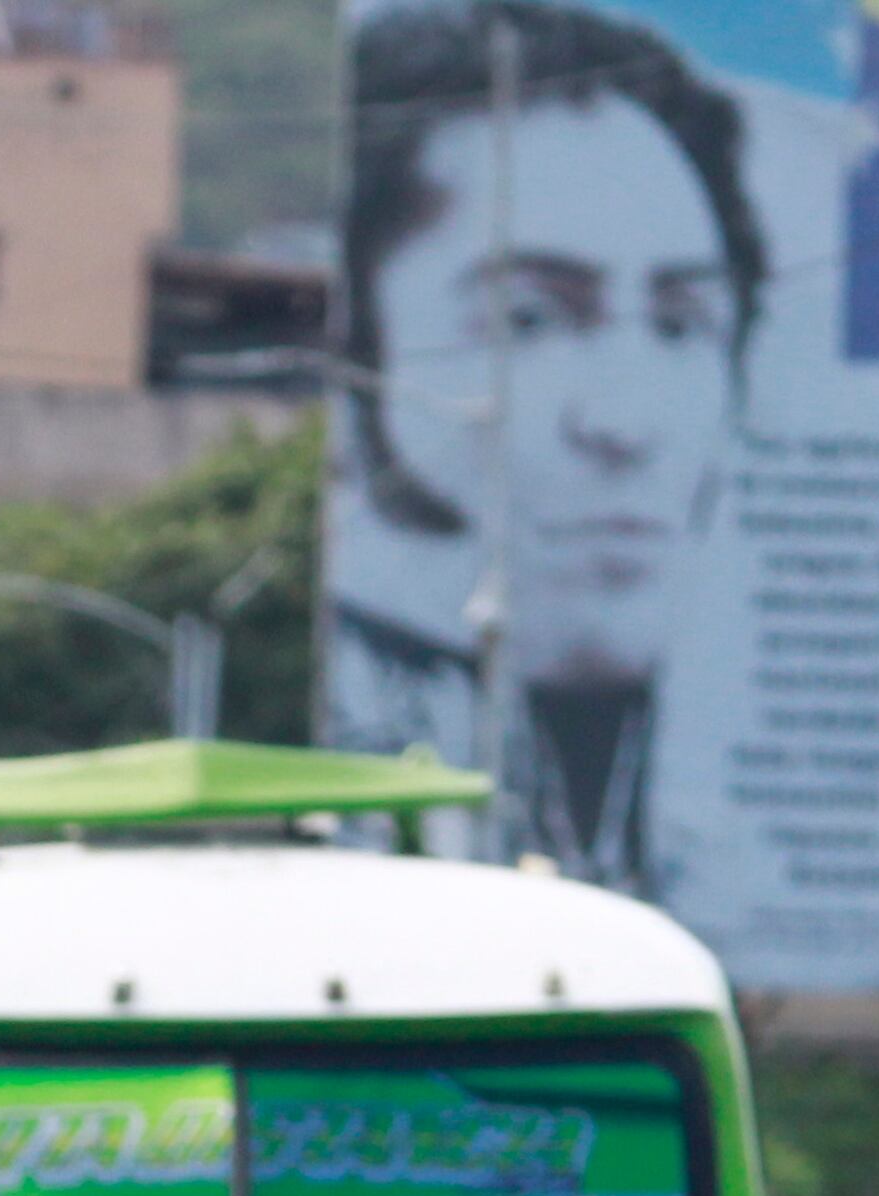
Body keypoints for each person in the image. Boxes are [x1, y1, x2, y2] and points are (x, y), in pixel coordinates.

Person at [329, 0, 768, 892]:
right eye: (527, 319)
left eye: (681, 324)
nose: (626, 423)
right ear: (361, 360)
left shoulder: (725, 836)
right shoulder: (351, 833)